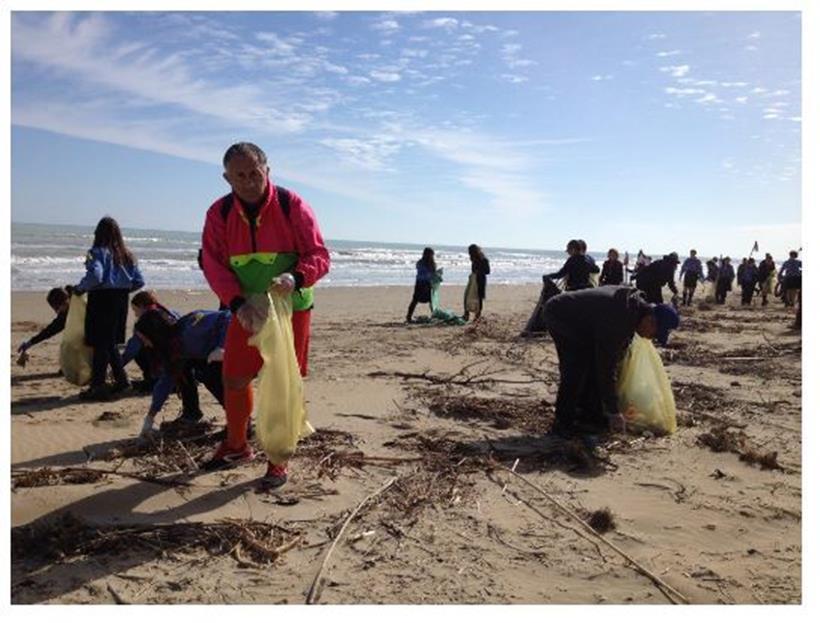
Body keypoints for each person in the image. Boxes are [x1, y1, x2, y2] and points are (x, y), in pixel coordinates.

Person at [200, 142, 330, 489]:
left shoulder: (292, 205)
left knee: (284, 383)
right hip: (247, 309)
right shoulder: (219, 214)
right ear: (227, 178)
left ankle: (278, 456)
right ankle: (237, 445)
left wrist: (296, 277)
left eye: (254, 174)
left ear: (267, 171)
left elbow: (319, 254)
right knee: (235, 378)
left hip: (291, 308)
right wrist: (237, 303)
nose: (248, 181)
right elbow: (213, 264)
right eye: (239, 176)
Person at [544, 285, 680, 438]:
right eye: (654, 334)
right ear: (650, 320)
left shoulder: (635, 310)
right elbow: (606, 367)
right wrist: (614, 412)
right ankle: (563, 423)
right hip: (561, 314)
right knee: (576, 368)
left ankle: (588, 414)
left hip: (586, 322)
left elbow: (614, 357)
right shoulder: (619, 319)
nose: (651, 339)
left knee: (592, 366)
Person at [73, 216, 145, 401]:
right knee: (110, 342)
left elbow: (96, 276)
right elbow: (139, 281)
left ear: (98, 233)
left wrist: (80, 288)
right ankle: (122, 381)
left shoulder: (96, 252)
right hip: (120, 300)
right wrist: (124, 289)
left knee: (100, 343)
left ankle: (98, 386)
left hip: (101, 300)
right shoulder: (127, 255)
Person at [132, 307, 230, 438]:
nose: (145, 344)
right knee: (185, 370)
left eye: (144, 339)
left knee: (209, 375)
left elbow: (228, 316)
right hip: (211, 354)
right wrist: (150, 416)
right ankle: (192, 413)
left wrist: (222, 346)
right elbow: (166, 380)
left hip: (241, 343)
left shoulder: (190, 330)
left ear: (154, 334)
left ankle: (238, 421)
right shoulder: (174, 347)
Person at [16, 287, 71, 364]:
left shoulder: (79, 305)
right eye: (54, 308)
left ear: (66, 301)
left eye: (57, 308)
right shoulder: (64, 313)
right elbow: (50, 331)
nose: (56, 311)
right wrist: (30, 343)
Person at [406, 247, 436, 323]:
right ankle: (408, 317)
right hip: (420, 284)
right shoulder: (420, 263)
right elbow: (422, 273)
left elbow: (433, 274)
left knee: (432, 301)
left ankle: (434, 315)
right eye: (430, 255)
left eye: (432, 255)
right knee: (415, 300)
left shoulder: (432, 264)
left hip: (428, 284)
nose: (431, 257)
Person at [463, 244, 491, 322]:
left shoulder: (484, 260)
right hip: (474, 280)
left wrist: (479, 272)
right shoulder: (474, 259)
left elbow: (488, 271)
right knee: (467, 296)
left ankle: (477, 316)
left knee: (479, 298)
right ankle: (466, 314)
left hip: (480, 280)